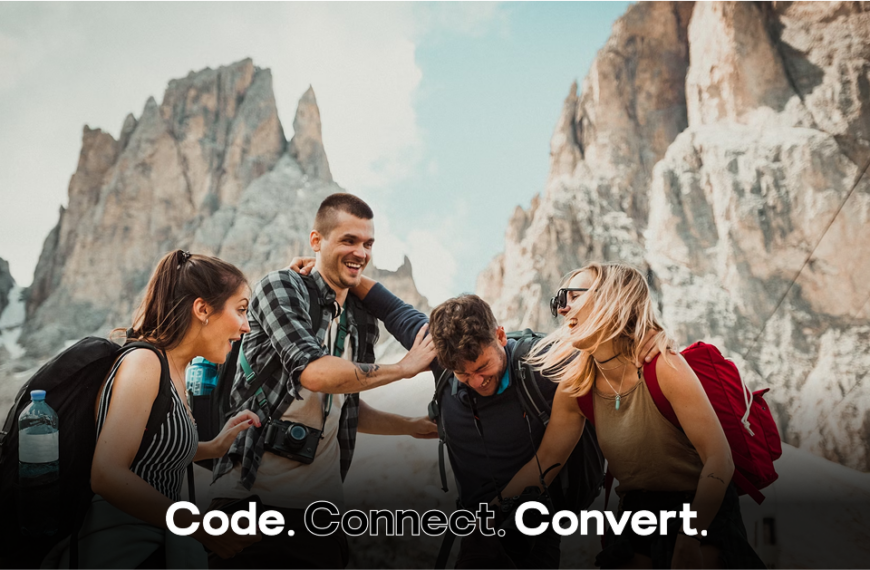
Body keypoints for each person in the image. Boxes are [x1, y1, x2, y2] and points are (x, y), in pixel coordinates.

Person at [286, 257, 660, 570]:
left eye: (482, 368)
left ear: (500, 336)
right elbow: (389, 306)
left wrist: (650, 341)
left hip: (536, 518)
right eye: (462, 375)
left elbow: (609, 344)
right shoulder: (440, 356)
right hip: (477, 523)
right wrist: (329, 269)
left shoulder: (543, 362)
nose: (475, 381)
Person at [208, 193, 438, 569]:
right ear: (316, 241)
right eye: (348, 240)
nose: (361, 253)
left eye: (368, 244)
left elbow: (344, 402)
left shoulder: (362, 321)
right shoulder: (280, 287)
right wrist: (403, 369)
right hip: (249, 501)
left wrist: (411, 427)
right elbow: (314, 373)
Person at [500, 262, 766, 570]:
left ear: (612, 298)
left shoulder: (663, 366)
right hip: (636, 518)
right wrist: (487, 512)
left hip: (701, 510)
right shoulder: (577, 389)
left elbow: (719, 460)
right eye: (560, 300)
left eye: (573, 296)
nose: (563, 308)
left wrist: (690, 537)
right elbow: (543, 464)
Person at [47, 250, 263, 569]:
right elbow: (107, 475)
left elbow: (148, 454)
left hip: (150, 547)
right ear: (202, 309)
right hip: (119, 552)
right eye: (241, 310)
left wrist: (213, 446)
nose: (246, 326)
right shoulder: (146, 363)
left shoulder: (174, 371)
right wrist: (199, 526)